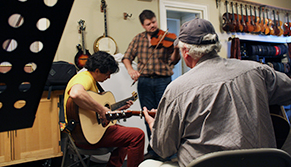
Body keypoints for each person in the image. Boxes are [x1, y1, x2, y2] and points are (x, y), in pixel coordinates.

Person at [139, 18, 291, 167]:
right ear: (215, 45)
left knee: (147, 165)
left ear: (185, 52)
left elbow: (164, 149)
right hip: (265, 162)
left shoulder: (177, 88)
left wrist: (154, 125)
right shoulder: (258, 70)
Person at [64, 51, 145, 167]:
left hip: (84, 133)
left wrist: (115, 110)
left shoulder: (90, 80)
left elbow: (91, 110)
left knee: (126, 136)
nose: (109, 77)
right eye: (107, 74)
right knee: (138, 135)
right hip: (83, 137)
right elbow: (76, 94)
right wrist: (102, 110)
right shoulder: (84, 79)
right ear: (97, 70)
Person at [122, 9, 180, 159]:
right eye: (149, 24)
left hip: (163, 80)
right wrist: (130, 71)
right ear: (143, 25)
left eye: (154, 22)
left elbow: (174, 60)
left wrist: (177, 48)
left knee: (165, 115)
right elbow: (127, 57)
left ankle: (168, 149)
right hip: (145, 81)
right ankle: (154, 150)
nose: (153, 26)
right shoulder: (138, 39)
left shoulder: (167, 38)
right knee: (147, 114)